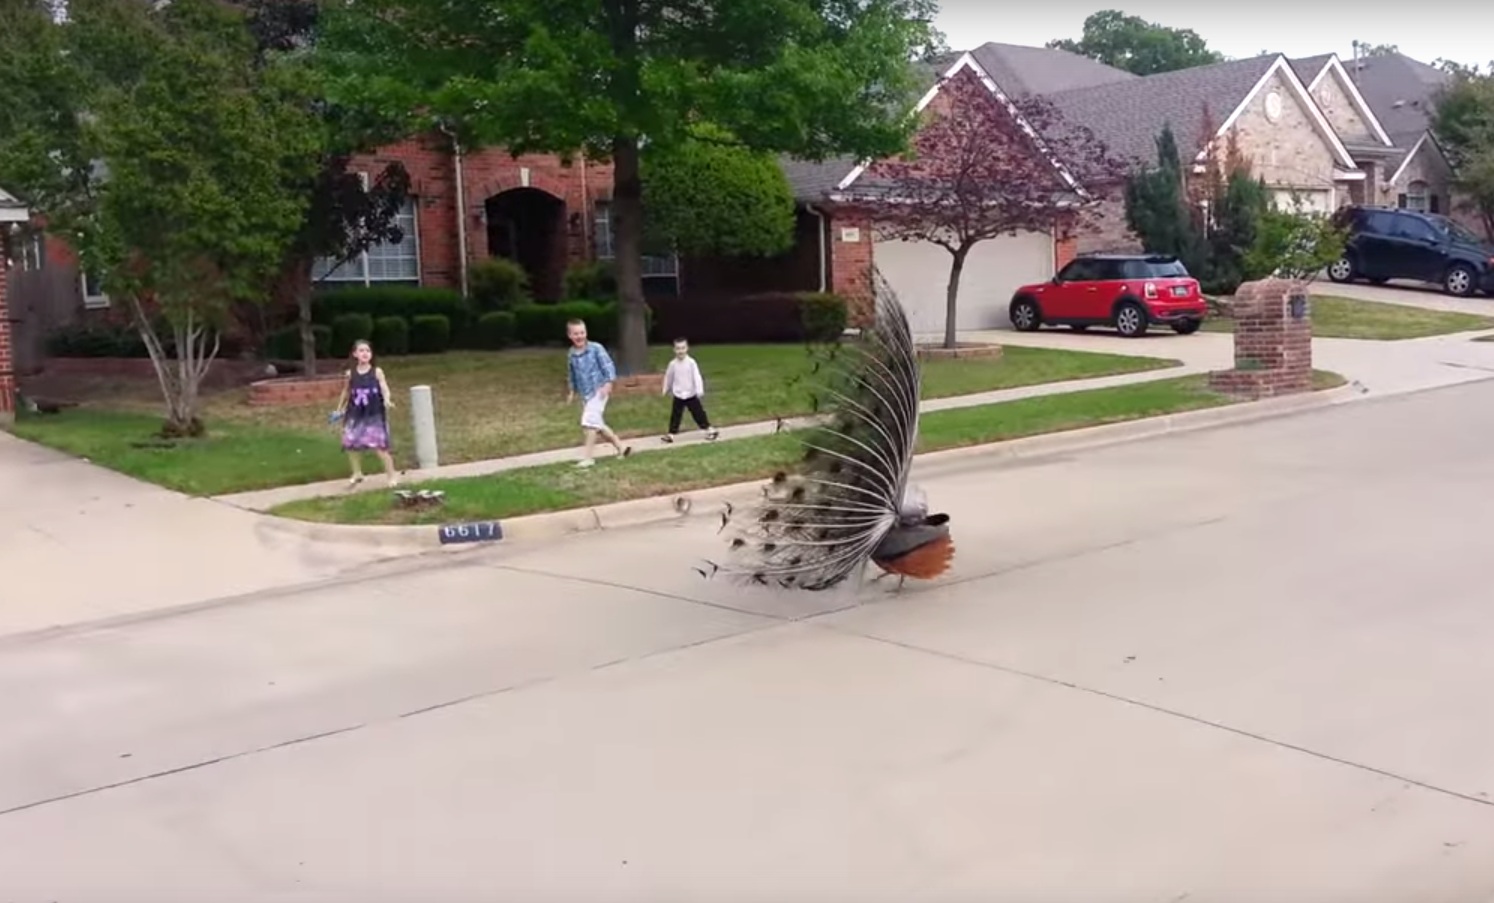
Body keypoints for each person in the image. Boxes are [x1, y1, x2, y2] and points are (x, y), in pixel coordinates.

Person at [565, 318, 632, 468]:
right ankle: (622, 448)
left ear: (586, 333)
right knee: (597, 425)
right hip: (586, 394)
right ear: (569, 335)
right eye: (575, 333)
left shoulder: (596, 348)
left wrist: (608, 383)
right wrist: (571, 390)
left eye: (582, 332)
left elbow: (608, 365)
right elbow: (572, 374)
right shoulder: (571, 354)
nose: (579, 336)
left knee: (589, 422)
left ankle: (588, 457)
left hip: (599, 390)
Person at [334, 339, 400, 488]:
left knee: (379, 446)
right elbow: (346, 392)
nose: (365, 353)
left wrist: (387, 400)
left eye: (368, 351)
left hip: (373, 414)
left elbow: (384, 387)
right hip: (355, 413)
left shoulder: (377, 372)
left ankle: (391, 475)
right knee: (351, 443)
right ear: (355, 354)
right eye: (361, 350)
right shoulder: (350, 373)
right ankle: (357, 473)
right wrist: (339, 408)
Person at [660, 337, 718, 443]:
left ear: (687, 348)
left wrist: (699, 389)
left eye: (683, 348)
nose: (680, 351)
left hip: (690, 394)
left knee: (698, 413)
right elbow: (669, 377)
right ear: (674, 350)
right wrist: (665, 388)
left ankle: (710, 430)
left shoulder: (691, 363)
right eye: (678, 348)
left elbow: (696, 376)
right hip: (678, 394)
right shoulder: (672, 364)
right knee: (675, 415)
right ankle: (671, 434)